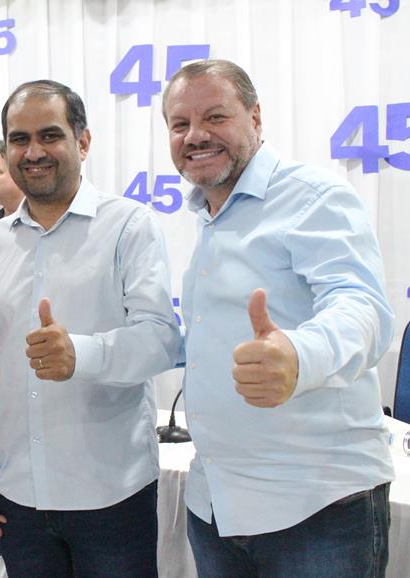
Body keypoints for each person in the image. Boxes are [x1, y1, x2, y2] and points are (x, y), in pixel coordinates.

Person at [162, 59, 394, 578]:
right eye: (180, 124)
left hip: (316, 509)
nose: (195, 135)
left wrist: (298, 354)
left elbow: (363, 308)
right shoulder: (207, 219)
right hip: (216, 507)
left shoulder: (311, 196)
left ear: (256, 117)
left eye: (215, 117)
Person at [0, 80, 181, 577]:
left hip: (111, 492)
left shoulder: (130, 225)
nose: (34, 151)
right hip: (18, 493)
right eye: (19, 139)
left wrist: (80, 354)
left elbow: (160, 338)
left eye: (50, 135)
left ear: (83, 143)